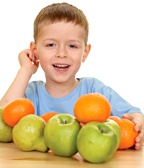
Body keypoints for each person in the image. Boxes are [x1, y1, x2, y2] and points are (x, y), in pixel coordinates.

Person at [0, 2, 143, 149]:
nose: (61, 54)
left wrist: (138, 122)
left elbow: (133, 113)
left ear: (85, 52)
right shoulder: (32, 93)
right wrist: (26, 69)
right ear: (35, 50)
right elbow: (4, 117)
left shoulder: (95, 90)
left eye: (72, 46)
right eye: (51, 45)